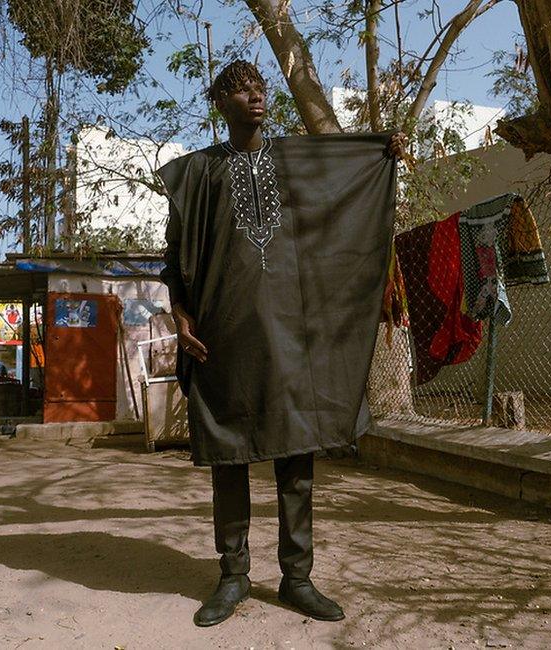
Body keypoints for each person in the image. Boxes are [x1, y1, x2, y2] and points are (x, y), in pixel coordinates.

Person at [158, 60, 406, 627]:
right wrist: (178, 314)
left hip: (294, 335)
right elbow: (173, 262)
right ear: (219, 102)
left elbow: (344, 174)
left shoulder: (295, 160)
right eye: (241, 90)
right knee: (229, 455)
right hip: (223, 338)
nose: (255, 96)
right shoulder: (197, 174)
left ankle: (297, 578)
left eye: (260, 87)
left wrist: (381, 151)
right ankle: (233, 575)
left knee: (297, 454)